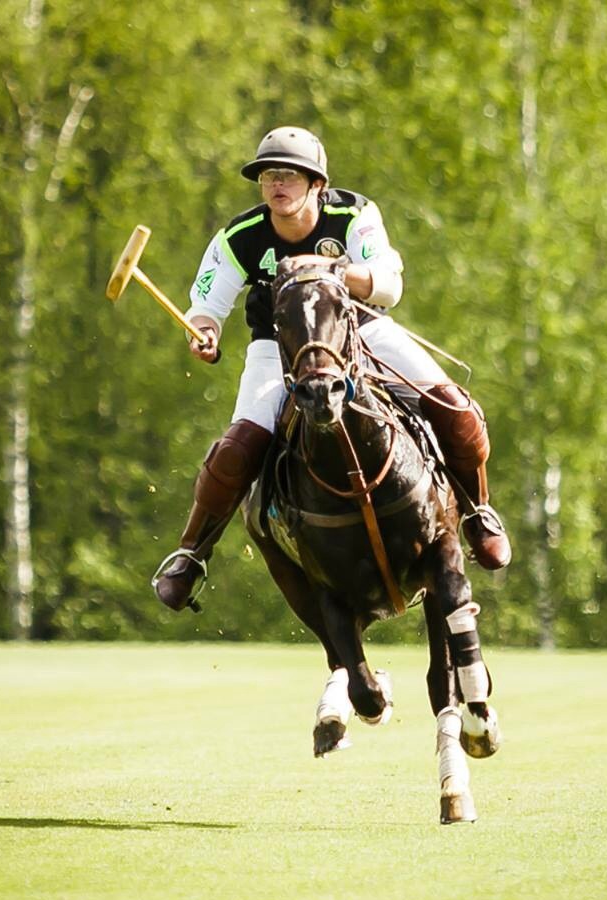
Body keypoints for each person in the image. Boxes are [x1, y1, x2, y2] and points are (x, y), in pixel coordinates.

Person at [154, 126, 510, 612]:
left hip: (357, 331)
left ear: (317, 184)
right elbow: (205, 305)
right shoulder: (239, 236)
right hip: (277, 347)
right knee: (237, 448)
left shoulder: (354, 215)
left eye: (289, 176)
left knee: (456, 407)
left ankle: (477, 512)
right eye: (268, 176)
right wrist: (204, 332)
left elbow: (387, 285)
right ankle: (191, 553)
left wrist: (331, 271)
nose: (277, 184)